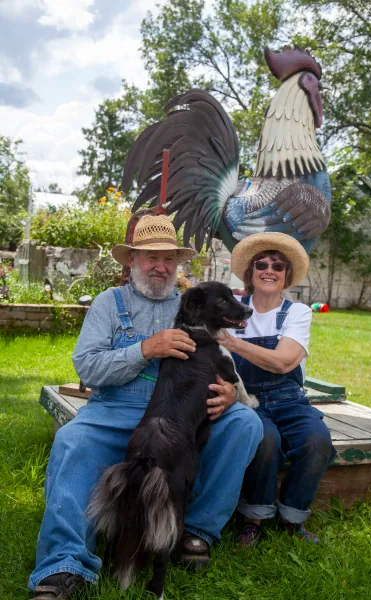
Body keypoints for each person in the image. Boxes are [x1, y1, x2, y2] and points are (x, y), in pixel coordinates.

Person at [28, 214, 263, 600]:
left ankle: (193, 531)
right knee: (71, 440)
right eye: (151, 257)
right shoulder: (109, 304)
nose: (160, 266)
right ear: (133, 260)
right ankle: (65, 564)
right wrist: (144, 349)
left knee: (246, 424)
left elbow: (221, 362)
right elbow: (87, 367)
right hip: (115, 410)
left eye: (169, 259)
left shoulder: (195, 304)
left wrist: (228, 394)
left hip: (182, 412)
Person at [216, 232, 336, 547]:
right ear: (251, 273)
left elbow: (283, 362)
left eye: (278, 266)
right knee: (265, 440)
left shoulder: (297, 313)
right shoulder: (231, 307)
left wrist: (233, 342)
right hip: (245, 398)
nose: (269, 270)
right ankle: (252, 519)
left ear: (286, 275)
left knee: (317, 440)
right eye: (262, 264)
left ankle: (292, 518)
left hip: (289, 399)